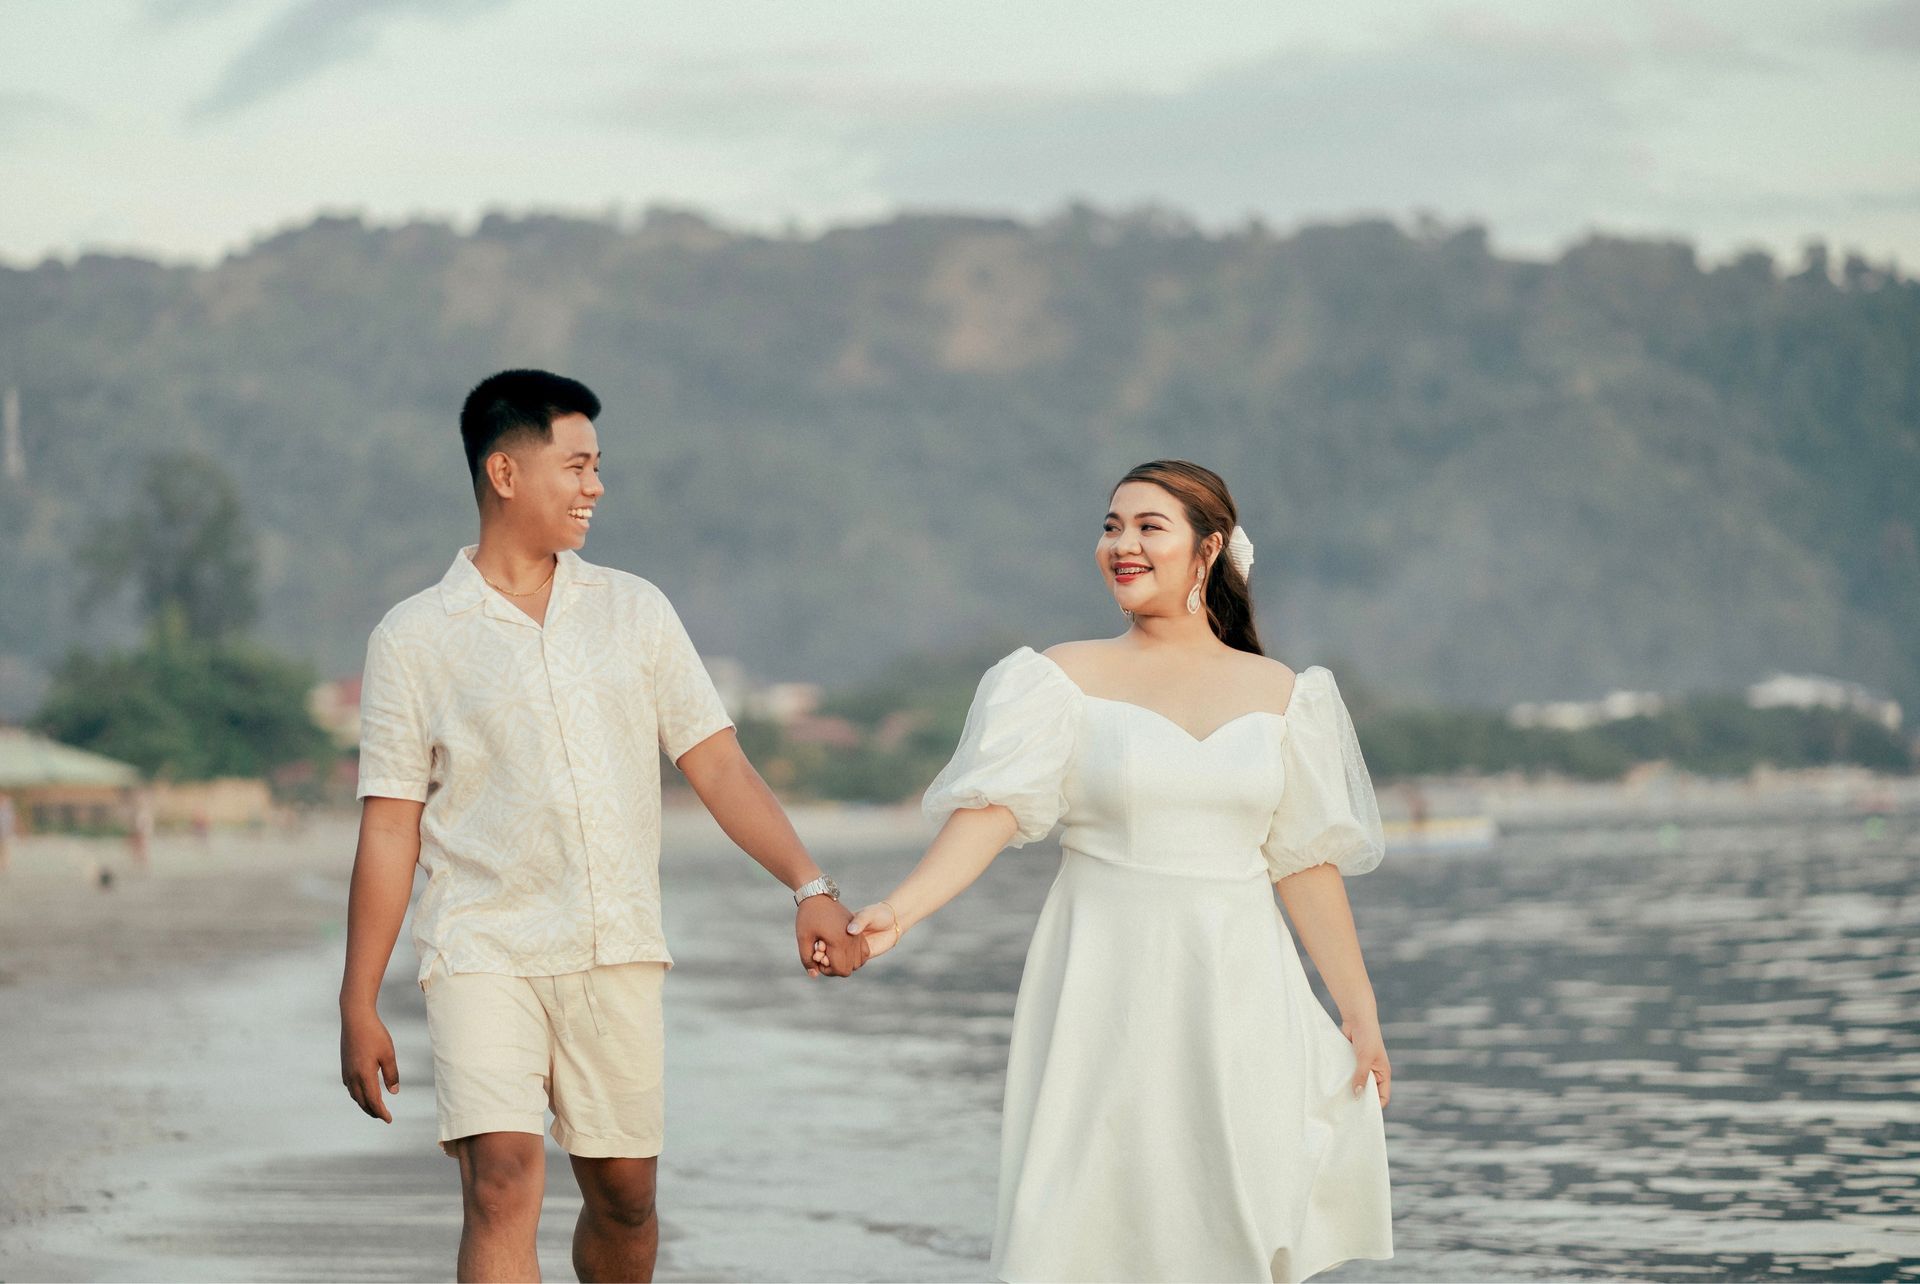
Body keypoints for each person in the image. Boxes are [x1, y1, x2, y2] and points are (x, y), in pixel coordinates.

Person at [339, 369, 866, 1284]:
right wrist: (358, 1000)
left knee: (625, 1198)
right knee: (501, 1183)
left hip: (615, 945)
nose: (597, 485)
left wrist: (810, 886)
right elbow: (390, 828)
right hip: (480, 947)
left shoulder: (635, 610)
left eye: (597, 465)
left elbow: (718, 765)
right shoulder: (414, 637)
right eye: (577, 465)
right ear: (506, 473)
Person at [831, 459, 1394, 1283]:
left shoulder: (1285, 693)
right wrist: (899, 912)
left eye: (1148, 527)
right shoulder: (1061, 678)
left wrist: (1360, 1010)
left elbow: (1305, 863)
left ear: (1208, 550)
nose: (1121, 544)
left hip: (1240, 985)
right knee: (1090, 1208)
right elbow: (990, 814)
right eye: (1110, 526)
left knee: (1233, 1206)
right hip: (1104, 979)